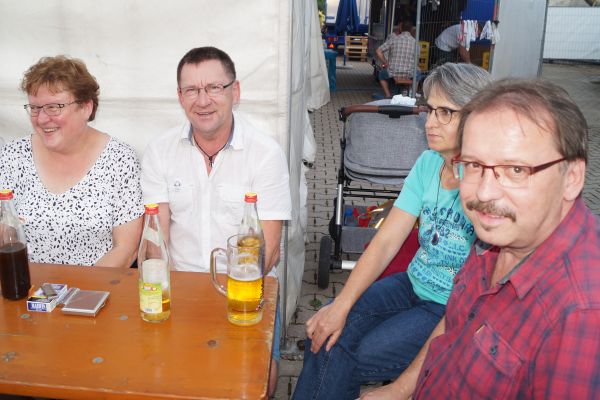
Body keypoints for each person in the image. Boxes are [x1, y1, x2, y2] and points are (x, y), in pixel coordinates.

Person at [362, 79, 600, 399]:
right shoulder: (498, 235)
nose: (484, 194)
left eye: (515, 170)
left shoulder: (583, 314)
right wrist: (400, 389)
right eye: (474, 165)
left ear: (572, 178)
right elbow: (457, 322)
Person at [293, 63, 492, 400]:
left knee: (347, 353)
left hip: (448, 308)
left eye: (445, 112)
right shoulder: (428, 164)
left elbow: (477, 294)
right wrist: (340, 305)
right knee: (326, 328)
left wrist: (400, 389)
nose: (430, 122)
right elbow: (386, 241)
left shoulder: (488, 184)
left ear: (478, 118)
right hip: (410, 285)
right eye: (430, 109)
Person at [140, 46, 291, 396]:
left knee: (258, 382)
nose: (203, 100)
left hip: (244, 290)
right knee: (159, 374)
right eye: (192, 90)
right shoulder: (159, 150)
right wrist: (165, 299)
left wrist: (226, 299)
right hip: (179, 289)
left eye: (214, 88)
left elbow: (267, 253)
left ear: (235, 92)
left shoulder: (265, 154)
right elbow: (155, 240)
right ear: (180, 97)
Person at [0, 55, 143, 267]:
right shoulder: (12, 156)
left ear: (85, 107)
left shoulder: (120, 160)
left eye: (54, 107)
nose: (41, 118)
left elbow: (126, 249)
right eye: (35, 108)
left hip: (96, 285)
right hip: (26, 284)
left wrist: (81, 288)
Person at [375, 19, 416, 98]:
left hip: (393, 72)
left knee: (381, 74)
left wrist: (385, 62)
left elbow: (378, 51)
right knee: (418, 74)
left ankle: (388, 95)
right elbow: (416, 60)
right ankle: (412, 94)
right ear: (411, 30)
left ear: (400, 28)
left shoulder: (394, 39)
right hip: (409, 73)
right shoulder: (415, 42)